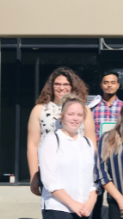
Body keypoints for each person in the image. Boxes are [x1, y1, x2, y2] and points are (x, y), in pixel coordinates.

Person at [27, 66, 96, 197]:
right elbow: (32, 145)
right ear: (51, 86)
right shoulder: (39, 110)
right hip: (50, 171)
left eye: (66, 84)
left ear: (72, 87)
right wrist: (33, 176)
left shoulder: (84, 110)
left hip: (78, 169)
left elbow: (91, 143)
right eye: (57, 84)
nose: (61, 87)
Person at [39, 94, 97, 219]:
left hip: (84, 209)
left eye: (79, 115)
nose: (75, 118)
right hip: (58, 208)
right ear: (62, 116)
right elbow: (49, 180)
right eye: (71, 114)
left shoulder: (88, 143)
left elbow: (94, 178)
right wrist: (72, 204)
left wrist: (91, 201)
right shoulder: (52, 140)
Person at [89, 71, 123, 219]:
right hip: (96, 158)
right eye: (106, 82)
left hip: (117, 159)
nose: (109, 85)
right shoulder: (92, 108)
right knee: (94, 197)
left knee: (115, 198)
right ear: (101, 85)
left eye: (113, 82)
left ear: (118, 85)